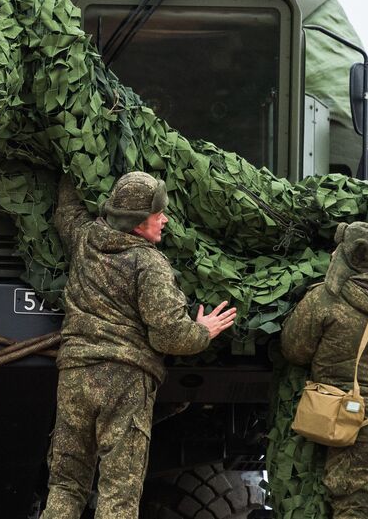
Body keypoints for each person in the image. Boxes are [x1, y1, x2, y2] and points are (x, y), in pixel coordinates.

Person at [43, 173, 237, 519]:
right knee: (119, 494)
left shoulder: (87, 239)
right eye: (157, 214)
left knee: (65, 485)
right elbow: (169, 336)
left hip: (74, 376)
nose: (164, 219)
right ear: (137, 223)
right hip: (125, 382)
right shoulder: (149, 264)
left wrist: (71, 169)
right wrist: (203, 330)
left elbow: (67, 213)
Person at [281, 221, 368, 519]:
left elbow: (293, 350)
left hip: (356, 420)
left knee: (351, 505)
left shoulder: (325, 299)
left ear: (350, 254)